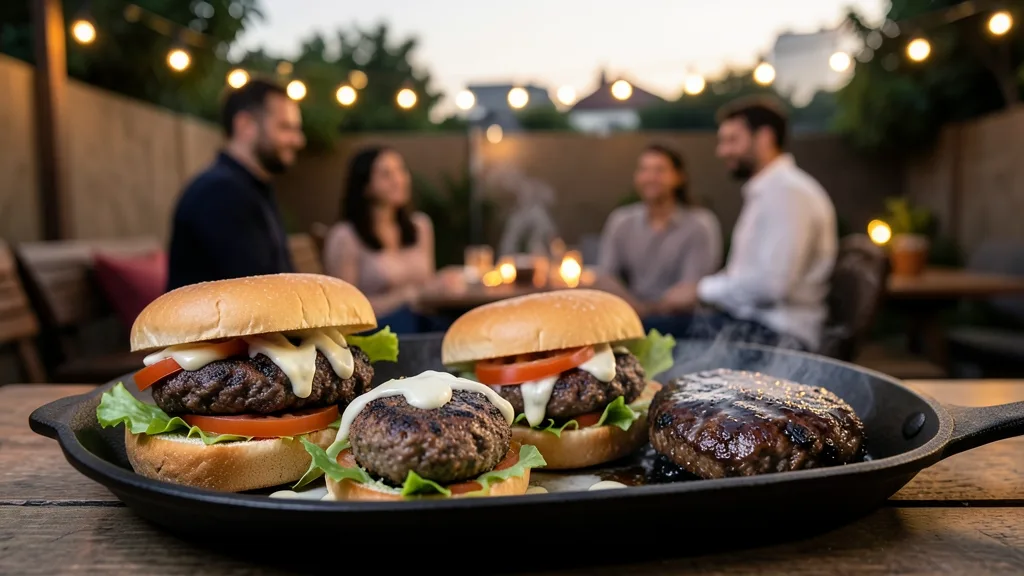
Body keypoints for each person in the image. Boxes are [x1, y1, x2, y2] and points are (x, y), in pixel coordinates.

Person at [690, 96, 838, 351]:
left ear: (765, 138)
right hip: (752, 323)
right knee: (656, 327)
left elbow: (771, 285)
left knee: (655, 331)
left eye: (732, 140)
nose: (721, 151)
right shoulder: (771, 191)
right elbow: (747, 275)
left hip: (780, 334)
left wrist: (701, 290)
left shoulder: (788, 192)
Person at [166, 79, 305, 291]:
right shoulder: (220, 193)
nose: (298, 140)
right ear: (245, 125)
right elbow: (258, 292)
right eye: (286, 127)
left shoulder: (253, 188)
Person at [595, 143, 722, 331]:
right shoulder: (621, 221)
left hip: (685, 323)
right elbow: (605, 276)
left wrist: (652, 310)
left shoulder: (700, 225)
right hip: (633, 317)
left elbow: (693, 288)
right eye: (644, 170)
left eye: (660, 170)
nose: (650, 178)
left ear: (679, 177)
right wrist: (636, 307)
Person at [322, 147, 444, 333]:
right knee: (408, 322)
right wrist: (404, 297)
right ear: (365, 186)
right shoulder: (345, 236)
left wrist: (444, 281)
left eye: (401, 170)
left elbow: (426, 285)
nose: (398, 180)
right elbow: (344, 308)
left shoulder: (421, 226)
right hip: (375, 329)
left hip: (420, 322)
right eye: (386, 174)